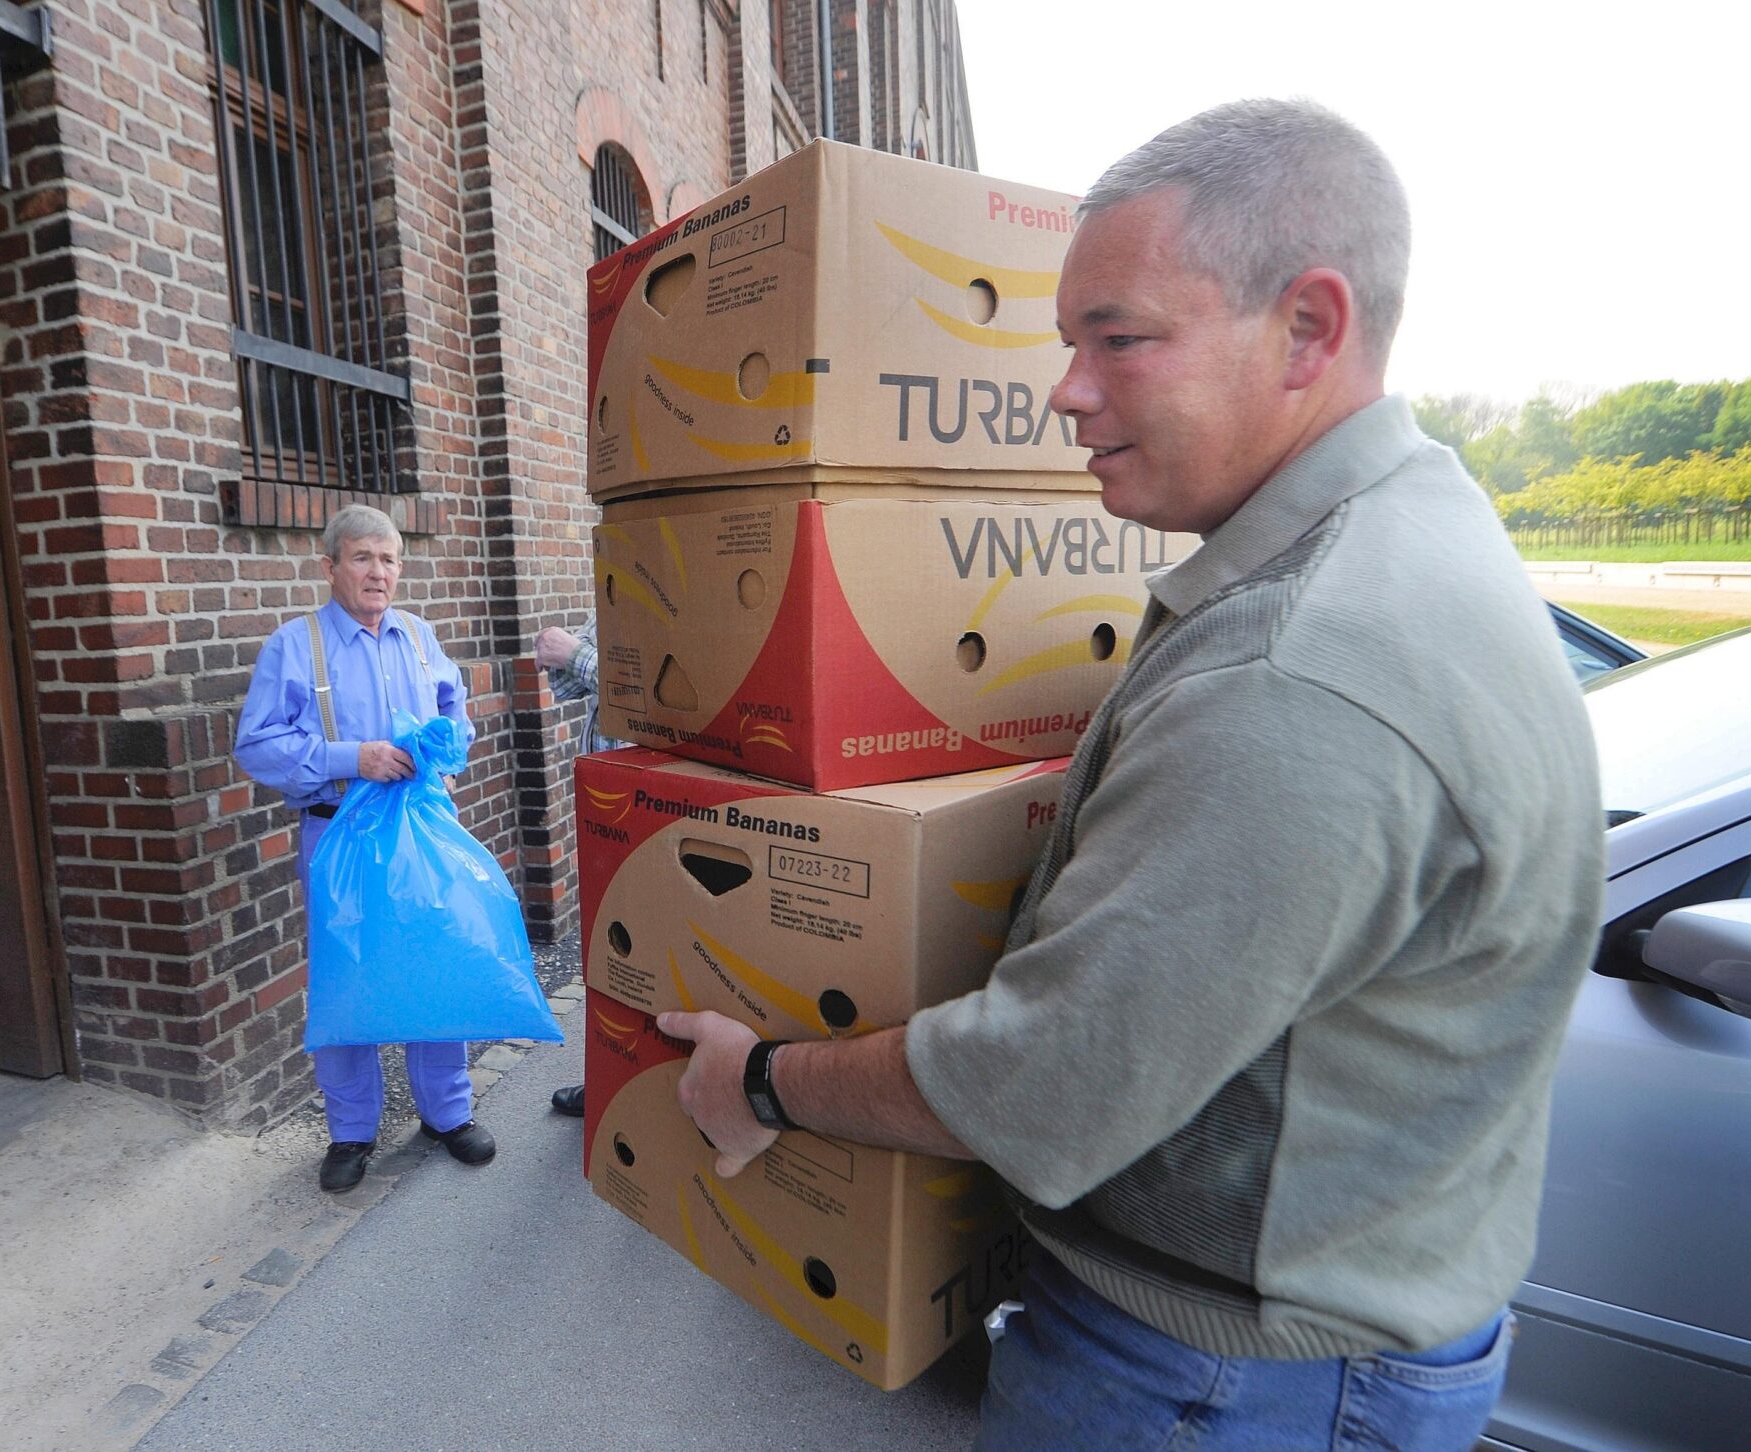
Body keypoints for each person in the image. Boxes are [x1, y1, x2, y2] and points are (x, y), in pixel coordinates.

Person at [660, 99, 1603, 1450]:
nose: (1066, 391)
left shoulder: (1302, 672)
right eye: (1067, 344)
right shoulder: (1402, 538)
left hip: (1218, 1384)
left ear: (1309, 330)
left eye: (1122, 340)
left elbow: (1042, 1084)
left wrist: (759, 1080)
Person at [235, 505, 500, 1193]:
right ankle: (351, 1131)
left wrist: (444, 751)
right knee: (347, 977)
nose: (377, 572)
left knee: (431, 963)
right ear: (330, 567)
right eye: (362, 558)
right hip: (337, 834)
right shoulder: (294, 647)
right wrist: (353, 756)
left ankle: (448, 1113)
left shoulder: (418, 635)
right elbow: (256, 745)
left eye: (387, 560)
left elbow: (454, 714)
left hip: (418, 831)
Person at [534, 620, 620, 1119]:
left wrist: (577, 654)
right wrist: (572, 656)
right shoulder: (625, 579)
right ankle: (613, 1078)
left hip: (653, 808)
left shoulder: (689, 581)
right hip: (608, 810)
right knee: (610, 952)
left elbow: (664, 695)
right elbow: (567, 684)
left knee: (653, 954)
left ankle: (645, 1088)